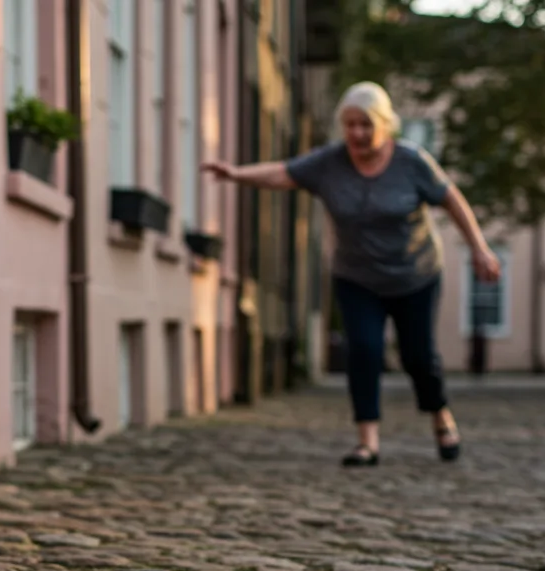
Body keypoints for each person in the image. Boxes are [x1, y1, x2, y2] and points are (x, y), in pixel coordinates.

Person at [203, 81, 500, 467]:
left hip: (415, 274)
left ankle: (440, 417)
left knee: (418, 356)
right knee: (364, 349)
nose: (357, 133)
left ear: (385, 125)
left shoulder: (411, 162)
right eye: (349, 125)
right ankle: (367, 441)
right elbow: (282, 173)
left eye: (365, 125)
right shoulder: (330, 163)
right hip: (357, 278)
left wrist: (479, 248)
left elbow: (452, 200)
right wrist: (235, 174)